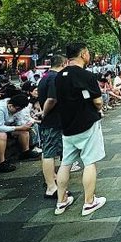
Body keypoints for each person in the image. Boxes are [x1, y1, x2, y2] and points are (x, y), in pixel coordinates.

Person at [54, 42, 106, 216]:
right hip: (87, 123)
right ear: (83, 54)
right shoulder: (87, 76)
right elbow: (98, 102)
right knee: (89, 162)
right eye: (88, 52)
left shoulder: (58, 76)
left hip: (67, 127)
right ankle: (89, 202)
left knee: (65, 163)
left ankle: (61, 202)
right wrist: (98, 108)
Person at [37, 55, 68, 199]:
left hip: (52, 120)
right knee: (49, 153)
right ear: (63, 63)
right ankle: (51, 186)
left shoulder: (45, 77)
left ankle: (53, 178)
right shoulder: (55, 78)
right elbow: (52, 99)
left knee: (51, 151)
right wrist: (44, 112)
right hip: (52, 121)